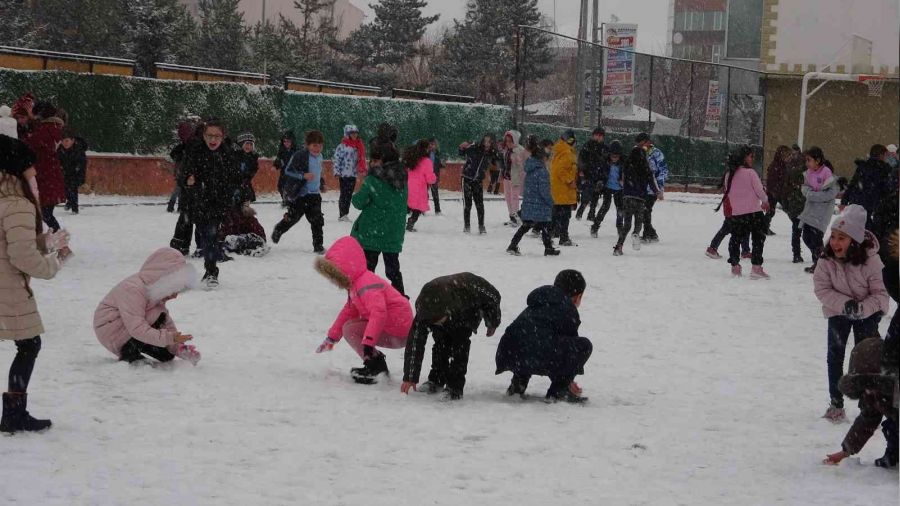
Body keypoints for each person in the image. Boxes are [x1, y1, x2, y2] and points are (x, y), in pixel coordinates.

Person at [0, 135, 66, 433]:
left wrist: (45, 242)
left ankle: (15, 412)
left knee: (27, 344)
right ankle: (14, 413)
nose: (35, 176)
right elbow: (20, 254)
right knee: (29, 344)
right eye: (31, 170)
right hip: (7, 285)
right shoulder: (16, 203)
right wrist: (53, 262)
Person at [813, 204, 889, 421]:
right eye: (834, 236)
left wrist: (862, 309)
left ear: (854, 242)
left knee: (866, 358)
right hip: (838, 310)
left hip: (867, 313)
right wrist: (845, 304)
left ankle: (870, 406)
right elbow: (822, 288)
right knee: (835, 355)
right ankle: (836, 403)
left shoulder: (872, 261)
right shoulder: (826, 259)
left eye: (842, 238)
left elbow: (882, 294)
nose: (835, 242)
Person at [314, 236, 413, 384]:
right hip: (396, 328)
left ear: (345, 269)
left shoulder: (366, 285)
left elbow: (379, 313)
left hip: (398, 331)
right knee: (349, 326)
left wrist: (368, 343)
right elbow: (348, 311)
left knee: (350, 329)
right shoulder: (358, 283)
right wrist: (332, 338)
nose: (333, 281)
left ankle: (375, 367)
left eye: (335, 275)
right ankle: (376, 365)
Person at [495, 269, 592, 403]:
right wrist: (567, 380)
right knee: (583, 345)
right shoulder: (568, 309)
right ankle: (559, 392)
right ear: (578, 296)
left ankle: (518, 384)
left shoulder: (538, 301)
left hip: (510, 353)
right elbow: (567, 356)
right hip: (537, 354)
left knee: (529, 339)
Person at [401, 273, 501, 400]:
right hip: (445, 307)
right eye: (435, 323)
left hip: (467, 309)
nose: (438, 325)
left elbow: (493, 297)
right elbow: (415, 342)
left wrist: (492, 322)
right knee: (440, 343)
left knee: (459, 346)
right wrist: (410, 377)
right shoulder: (424, 312)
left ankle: (455, 388)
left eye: (440, 321)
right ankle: (436, 380)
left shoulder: (469, 290)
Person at [94, 247, 200, 365]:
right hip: (111, 329)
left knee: (167, 355)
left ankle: (137, 349)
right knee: (154, 332)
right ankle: (130, 354)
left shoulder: (154, 294)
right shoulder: (132, 289)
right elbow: (137, 328)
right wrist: (170, 338)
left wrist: (179, 347)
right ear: (164, 282)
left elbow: (164, 321)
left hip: (129, 329)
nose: (175, 296)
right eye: (173, 289)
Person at [180, 119, 241, 288]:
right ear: (204, 135)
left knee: (211, 235)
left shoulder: (227, 154)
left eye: (217, 136)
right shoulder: (195, 152)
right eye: (209, 136)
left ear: (223, 137)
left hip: (218, 204)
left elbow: (236, 177)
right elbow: (183, 174)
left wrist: (231, 192)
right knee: (205, 236)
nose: (213, 140)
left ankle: (211, 271)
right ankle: (208, 260)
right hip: (199, 202)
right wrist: (188, 180)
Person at [822, 338, 897, 468]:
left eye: (872, 384)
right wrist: (845, 451)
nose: (868, 392)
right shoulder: (871, 394)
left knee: (893, 426)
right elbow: (866, 420)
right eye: (863, 386)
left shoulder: (895, 389)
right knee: (891, 426)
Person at [351, 143, 408, 294]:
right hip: (393, 233)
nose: (372, 164)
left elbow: (358, 202)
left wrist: (361, 183)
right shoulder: (402, 180)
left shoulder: (372, 181)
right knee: (393, 271)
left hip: (371, 234)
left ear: (384, 162)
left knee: (367, 271)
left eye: (375, 161)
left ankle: (364, 297)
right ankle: (400, 299)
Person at [271, 130, 326, 254]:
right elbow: (288, 171)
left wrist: (321, 183)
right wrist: (303, 175)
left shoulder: (321, 157)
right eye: (314, 145)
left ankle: (318, 246)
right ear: (307, 145)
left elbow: (318, 172)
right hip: (301, 195)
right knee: (293, 217)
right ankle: (279, 229)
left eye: (320, 145)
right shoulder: (300, 155)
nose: (317, 149)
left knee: (317, 220)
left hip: (315, 195)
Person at [721, 146, 770, 278]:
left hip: (737, 214)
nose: (752, 159)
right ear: (744, 158)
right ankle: (756, 267)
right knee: (758, 239)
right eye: (751, 156)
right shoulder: (751, 173)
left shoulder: (728, 174)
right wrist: (765, 201)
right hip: (754, 212)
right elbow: (760, 191)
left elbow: (729, 193)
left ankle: (735, 265)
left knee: (735, 239)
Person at [507, 135, 560, 256]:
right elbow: (544, 190)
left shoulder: (530, 169)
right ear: (543, 158)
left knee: (529, 226)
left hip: (531, 202)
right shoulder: (542, 171)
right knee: (544, 225)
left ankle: (513, 245)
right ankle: (547, 248)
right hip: (540, 204)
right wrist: (550, 201)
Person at [23, 102, 66, 235]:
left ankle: (62, 245)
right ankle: (58, 244)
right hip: (51, 177)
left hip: (44, 178)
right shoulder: (55, 128)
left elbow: (27, 145)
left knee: (44, 214)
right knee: (45, 213)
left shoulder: (44, 131)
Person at [613, 146, 661, 256]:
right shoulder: (645, 168)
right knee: (639, 222)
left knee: (627, 224)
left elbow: (622, 179)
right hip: (640, 199)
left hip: (628, 198)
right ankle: (636, 233)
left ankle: (618, 246)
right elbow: (651, 181)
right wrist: (657, 192)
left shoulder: (627, 165)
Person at [799, 146, 838, 273]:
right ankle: (820, 260)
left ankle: (820, 264)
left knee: (816, 239)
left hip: (821, 213)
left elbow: (831, 193)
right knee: (806, 237)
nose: (807, 163)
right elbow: (804, 188)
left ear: (818, 160)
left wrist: (813, 195)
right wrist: (810, 193)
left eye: (809, 160)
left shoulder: (827, 173)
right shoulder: (809, 173)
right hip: (810, 211)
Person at [841, 144, 892, 230]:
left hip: (856, 201)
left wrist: (844, 200)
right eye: (886, 155)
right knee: (866, 229)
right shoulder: (885, 169)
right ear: (881, 155)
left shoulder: (862, 167)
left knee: (854, 227)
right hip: (871, 204)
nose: (886, 158)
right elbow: (886, 189)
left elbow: (852, 184)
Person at [459, 134, 496, 234]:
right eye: (485, 141)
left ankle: (481, 226)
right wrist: (461, 147)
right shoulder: (475, 147)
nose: (487, 144)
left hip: (478, 180)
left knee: (480, 205)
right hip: (467, 178)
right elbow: (462, 153)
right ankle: (467, 226)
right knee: (468, 205)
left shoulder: (492, 153)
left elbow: (497, 162)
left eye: (489, 142)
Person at [635, 132, 667, 243]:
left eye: (642, 142)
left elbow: (663, 171)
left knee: (646, 210)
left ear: (648, 142)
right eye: (638, 143)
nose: (639, 145)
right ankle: (652, 234)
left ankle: (647, 235)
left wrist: (660, 188)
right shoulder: (637, 152)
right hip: (640, 188)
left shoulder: (657, 154)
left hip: (653, 188)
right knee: (642, 211)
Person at [550, 130, 578, 246]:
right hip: (564, 190)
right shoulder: (567, 153)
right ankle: (564, 238)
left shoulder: (559, 150)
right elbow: (561, 170)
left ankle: (550, 234)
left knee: (556, 214)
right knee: (565, 216)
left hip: (558, 189)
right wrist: (570, 180)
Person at [333, 124, 366, 222]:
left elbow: (361, 158)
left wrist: (363, 169)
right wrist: (337, 171)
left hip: (353, 174)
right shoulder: (342, 146)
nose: (355, 135)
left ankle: (345, 213)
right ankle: (342, 214)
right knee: (344, 194)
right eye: (352, 133)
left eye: (356, 132)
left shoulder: (358, 145)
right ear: (347, 134)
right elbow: (337, 159)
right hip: (344, 174)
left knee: (349, 194)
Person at [590, 140, 623, 237]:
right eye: (613, 155)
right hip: (607, 187)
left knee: (620, 208)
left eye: (617, 156)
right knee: (605, 206)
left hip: (619, 188)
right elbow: (599, 173)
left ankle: (620, 228)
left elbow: (629, 174)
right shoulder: (604, 161)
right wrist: (599, 182)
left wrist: (624, 180)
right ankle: (595, 226)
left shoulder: (624, 162)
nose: (614, 158)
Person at [404, 139, 436, 232]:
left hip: (408, 186)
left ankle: (399, 222)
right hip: (419, 188)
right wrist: (434, 178)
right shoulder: (426, 161)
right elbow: (430, 178)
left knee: (407, 206)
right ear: (426, 149)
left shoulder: (411, 158)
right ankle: (411, 223)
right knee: (417, 208)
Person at [576, 127, 607, 221]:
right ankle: (580, 211)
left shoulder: (604, 147)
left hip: (599, 174)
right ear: (593, 135)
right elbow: (581, 159)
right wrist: (581, 170)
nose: (599, 137)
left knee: (596, 194)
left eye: (601, 136)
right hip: (588, 173)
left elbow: (606, 160)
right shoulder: (587, 146)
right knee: (587, 194)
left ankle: (591, 214)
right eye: (597, 135)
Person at [167, 118, 198, 213]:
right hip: (182, 167)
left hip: (180, 167)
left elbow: (172, 154)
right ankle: (173, 206)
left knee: (180, 187)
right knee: (180, 187)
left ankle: (176, 206)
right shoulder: (188, 145)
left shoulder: (182, 146)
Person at [499, 130, 527, 227]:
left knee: (514, 197)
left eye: (510, 141)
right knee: (507, 197)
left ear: (515, 140)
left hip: (515, 178)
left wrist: (518, 162)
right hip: (506, 177)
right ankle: (512, 216)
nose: (508, 143)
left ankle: (516, 217)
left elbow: (524, 165)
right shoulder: (506, 150)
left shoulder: (520, 150)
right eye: (506, 141)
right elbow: (503, 163)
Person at [57, 128, 87, 215]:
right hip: (64, 172)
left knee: (73, 189)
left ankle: (75, 208)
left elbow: (82, 164)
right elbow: (58, 160)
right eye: (63, 141)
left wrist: (79, 175)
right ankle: (70, 202)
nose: (65, 143)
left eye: (67, 141)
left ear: (72, 140)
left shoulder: (78, 150)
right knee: (65, 189)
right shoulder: (60, 149)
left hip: (76, 173)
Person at [273, 131, 298, 206]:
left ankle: (291, 200)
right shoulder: (282, 151)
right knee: (280, 186)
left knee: (291, 187)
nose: (286, 143)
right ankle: (285, 199)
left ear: (292, 142)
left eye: (288, 141)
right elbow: (278, 159)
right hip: (284, 172)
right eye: (285, 141)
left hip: (293, 173)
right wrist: (275, 166)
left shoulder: (295, 151)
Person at [234, 132, 259, 204]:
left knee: (245, 206)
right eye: (247, 144)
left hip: (245, 186)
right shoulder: (235, 155)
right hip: (233, 185)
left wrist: (248, 176)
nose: (249, 146)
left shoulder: (252, 157)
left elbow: (253, 169)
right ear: (241, 144)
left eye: (251, 144)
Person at [427, 138, 444, 215]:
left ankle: (437, 210)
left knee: (435, 194)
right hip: (426, 176)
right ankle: (421, 209)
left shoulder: (437, 153)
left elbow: (437, 163)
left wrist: (441, 165)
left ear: (436, 145)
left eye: (433, 144)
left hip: (434, 175)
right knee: (424, 194)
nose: (431, 146)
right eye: (430, 144)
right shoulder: (425, 153)